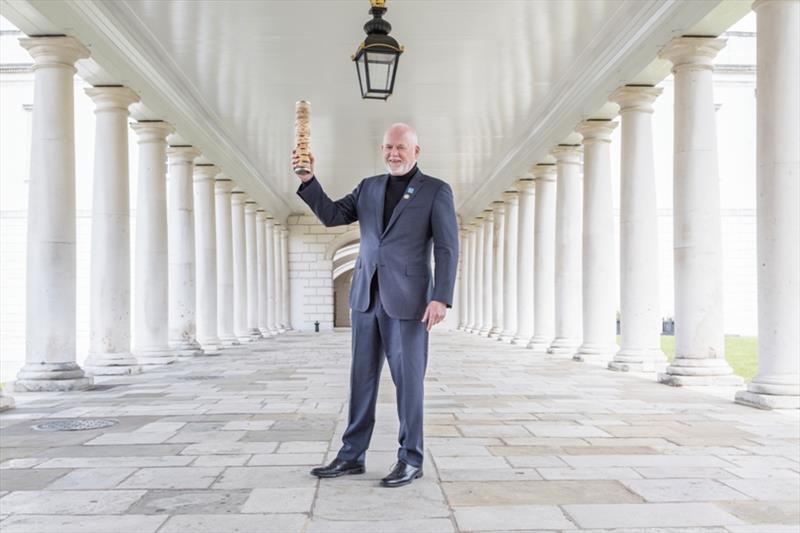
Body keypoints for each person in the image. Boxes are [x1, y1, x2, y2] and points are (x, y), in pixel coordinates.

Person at [293, 123, 458, 487]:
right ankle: (352, 455)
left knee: (408, 382)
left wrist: (441, 297)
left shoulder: (435, 191)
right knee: (361, 379)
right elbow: (333, 216)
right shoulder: (368, 188)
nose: (393, 154)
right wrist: (309, 181)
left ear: (416, 151)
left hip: (411, 303)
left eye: (400, 147)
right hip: (366, 297)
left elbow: (447, 247)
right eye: (387, 147)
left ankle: (411, 458)